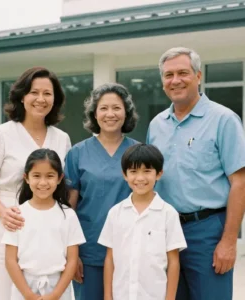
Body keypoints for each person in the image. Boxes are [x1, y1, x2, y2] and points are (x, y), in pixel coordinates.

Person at [146, 47, 245, 300]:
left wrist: (229, 242)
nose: (175, 80)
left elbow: (240, 182)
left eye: (183, 73)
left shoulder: (224, 120)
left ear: (198, 76)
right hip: (165, 231)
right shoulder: (157, 125)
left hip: (208, 232)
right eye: (168, 75)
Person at [0, 67, 72, 300]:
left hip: (48, 228)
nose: (41, 99)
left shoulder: (62, 138)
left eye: (47, 93)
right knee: (1, 292)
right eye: (34, 92)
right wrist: (3, 213)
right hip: (8, 222)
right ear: (21, 96)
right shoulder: (0, 135)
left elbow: (62, 185)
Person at [64, 83, 139, 300]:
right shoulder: (77, 154)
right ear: (94, 114)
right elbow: (69, 208)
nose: (110, 114)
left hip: (130, 249)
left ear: (126, 112)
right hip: (89, 251)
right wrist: (72, 255)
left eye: (116, 108)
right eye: (103, 108)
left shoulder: (137, 153)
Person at [98, 143, 187, 300]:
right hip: (122, 295)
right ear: (124, 174)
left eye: (147, 171)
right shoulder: (115, 213)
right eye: (133, 171)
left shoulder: (168, 214)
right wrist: (107, 296)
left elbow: (173, 261)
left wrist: (170, 298)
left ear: (159, 174)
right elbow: (110, 258)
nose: (140, 178)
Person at [2, 148, 86, 300]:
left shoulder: (68, 215)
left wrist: (55, 294)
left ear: (60, 178)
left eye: (50, 176)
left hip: (59, 288)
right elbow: (10, 260)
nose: (43, 182)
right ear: (26, 178)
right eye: (36, 176)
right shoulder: (17, 215)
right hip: (24, 288)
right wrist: (28, 295)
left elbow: (72, 260)